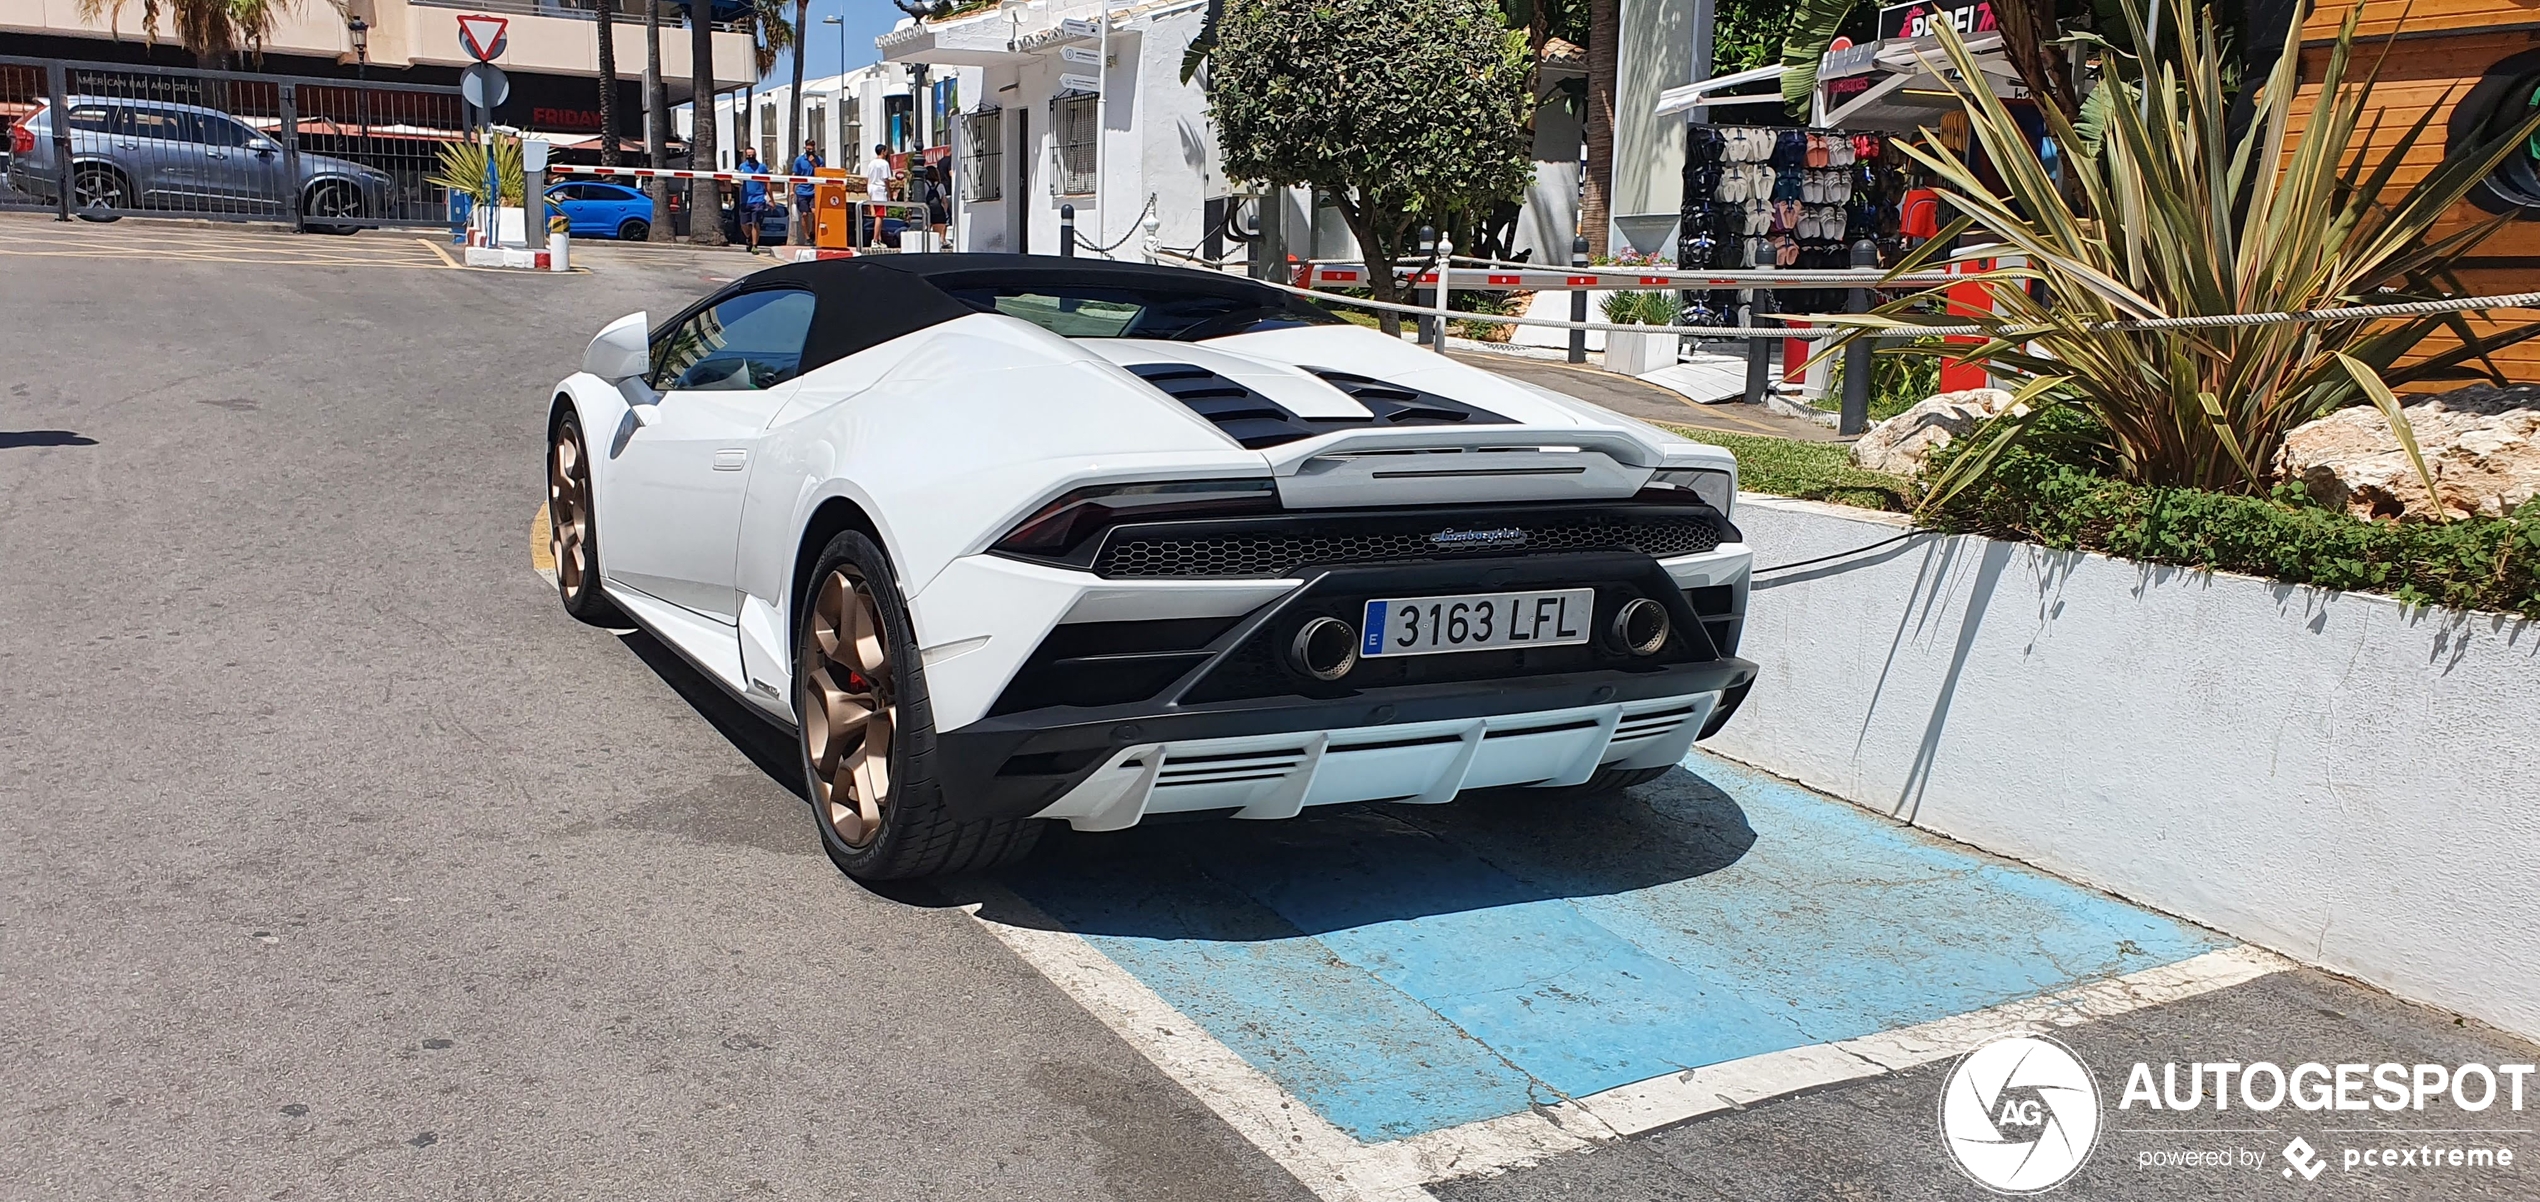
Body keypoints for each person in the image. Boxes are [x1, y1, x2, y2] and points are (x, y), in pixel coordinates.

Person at [735, 147, 771, 254]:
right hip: (745, 200)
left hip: (758, 199)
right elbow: (737, 181)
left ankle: (755, 245)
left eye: (752, 155)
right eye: (748, 155)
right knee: (744, 224)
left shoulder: (762, 167)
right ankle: (749, 238)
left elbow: (767, 183)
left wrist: (771, 199)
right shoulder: (742, 167)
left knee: (755, 223)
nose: (751, 157)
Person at [789, 138, 821, 246]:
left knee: (815, 211)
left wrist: (814, 164)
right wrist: (791, 190)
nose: (810, 150)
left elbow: (821, 174)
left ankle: (813, 232)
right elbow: (794, 175)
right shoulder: (799, 160)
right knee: (804, 214)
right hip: (802, 191)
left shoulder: (819, 160)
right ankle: (807, 237)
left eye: (812, 148)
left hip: (814, 190)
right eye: (808, 148)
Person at [861, 143, 893, 248]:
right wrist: (890, 191)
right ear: (883, 151)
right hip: (880, 189)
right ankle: (875, 239)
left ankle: (878, 239)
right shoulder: (884, 164)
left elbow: (868, 177)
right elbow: (886, 179)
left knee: (877, 214)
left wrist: (868, 189)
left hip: (871, 187)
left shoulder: (871, 163)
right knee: (880, 215)